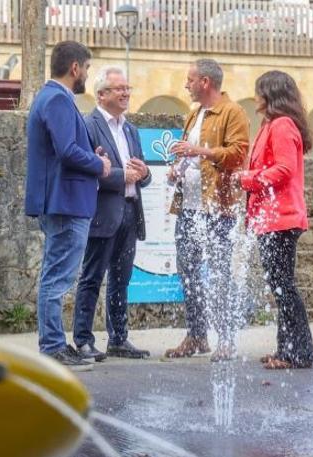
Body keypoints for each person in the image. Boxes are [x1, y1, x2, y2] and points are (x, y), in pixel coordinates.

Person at [24, 41, 112, 371]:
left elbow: (67, 150)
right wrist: (99, 165)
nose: (87, 74)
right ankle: (52, 346)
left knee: (56, 275)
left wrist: (92, 157)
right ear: (75, 67)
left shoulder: (52, 98)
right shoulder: (58, 99)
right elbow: (67, 151)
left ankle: (55, 344)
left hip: (64, 199)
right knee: (57, 278)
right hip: (66, 202)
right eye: (87, 68)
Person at [163, 59, 250, 360]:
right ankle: (197, 336)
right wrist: (177, 168)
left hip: (217, 207)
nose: (186, 85)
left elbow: (238, 154)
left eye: (189, 79)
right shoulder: (194, 114)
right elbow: (189, 156)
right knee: (187, 272)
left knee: (220, 273)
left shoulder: (232, 112)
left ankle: (225, 340)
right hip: (188, 206)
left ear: (205, 82)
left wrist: (198, 151)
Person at [237, 70, 313, 370]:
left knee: (283, 285)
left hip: (281, 218)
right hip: (272, 218)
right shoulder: (272, 124)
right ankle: (288, 348)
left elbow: (283, 169)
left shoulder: (282, 125)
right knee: (280, 285)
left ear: (270, 94)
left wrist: (247, 179)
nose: (255, 97)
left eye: (259, 91)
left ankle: (297, 351)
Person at [72, 66, 152, 361]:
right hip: (103, 213)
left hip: (130, 213)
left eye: (127, 88)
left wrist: (143, 174)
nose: (126, 93)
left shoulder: (130, 129)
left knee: (122, 279)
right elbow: (89, 169)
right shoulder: (88, 125)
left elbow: (141, 172)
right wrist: (123, 177)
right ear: (102, 94)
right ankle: (82, 340)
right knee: (92, 278)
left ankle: (118, 338)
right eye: (120, 89)